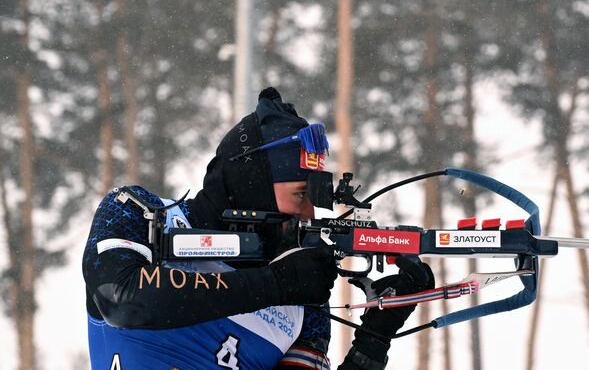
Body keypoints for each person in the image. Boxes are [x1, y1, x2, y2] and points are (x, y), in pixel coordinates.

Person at [84, 87, 432, 370]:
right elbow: (120, 299)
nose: (308, 212)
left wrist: (375, 338)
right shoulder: (139, 213)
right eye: (299, 194)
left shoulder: (302, 301)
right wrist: (276, 283)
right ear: (253, 186)